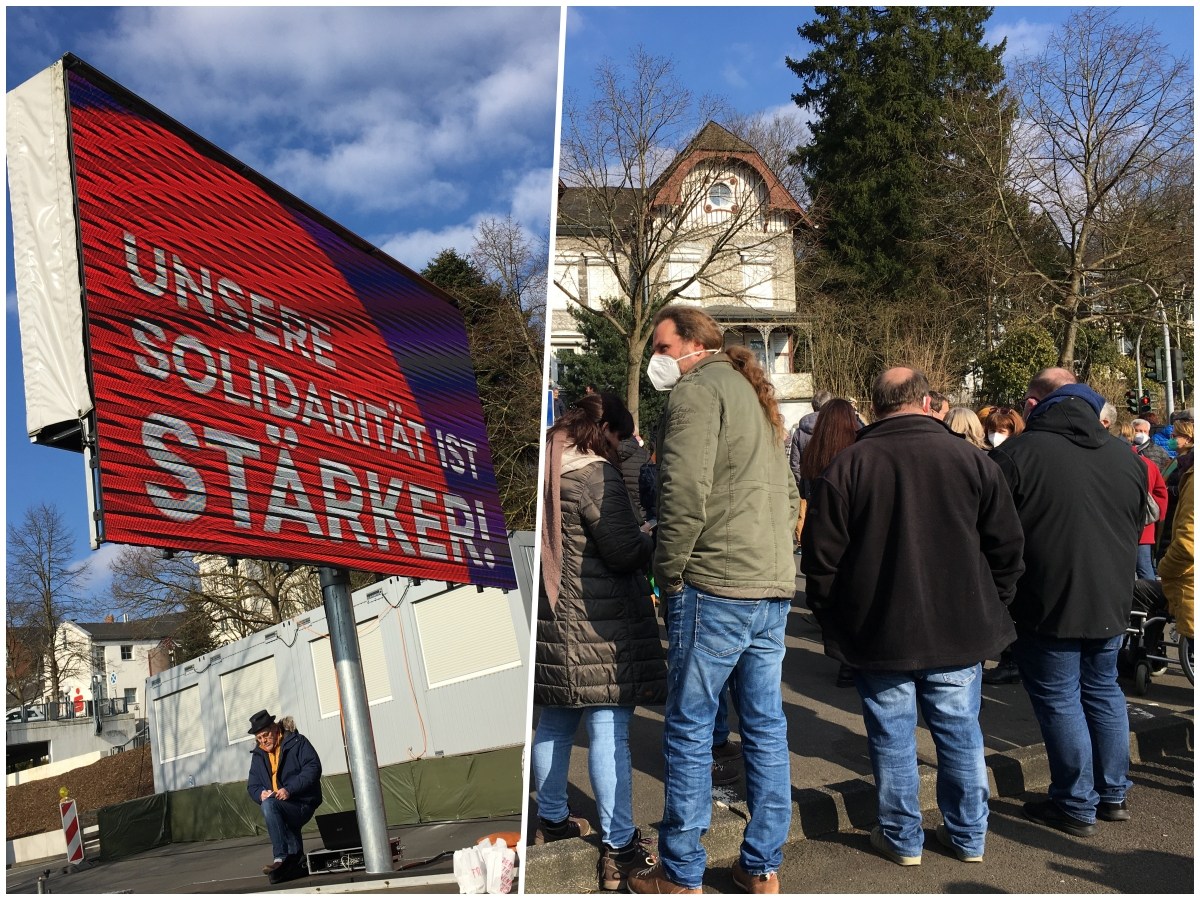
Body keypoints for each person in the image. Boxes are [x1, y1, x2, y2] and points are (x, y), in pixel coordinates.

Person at [802, 368, 1024, 867]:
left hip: (880, 630)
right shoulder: (972, 459)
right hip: (958, 626)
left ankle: (903, 839)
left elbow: (821, 559)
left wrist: (832, 615)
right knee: (960, 733)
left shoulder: (849, 464)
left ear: (875, 405)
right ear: (926, 402)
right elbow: (1007, 544)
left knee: (892, 737)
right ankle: (968, 836)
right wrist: (996, 599)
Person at [627, 306, 799, 895]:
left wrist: (669, 574)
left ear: (692, 345)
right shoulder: (756, 395)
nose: (657, 357)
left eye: (662, 346)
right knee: (765, 727)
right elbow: (790, 496)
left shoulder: (698, 393)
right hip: (769, 583)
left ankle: (680, 873)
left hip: (715, 583)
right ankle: (761, 866)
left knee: (691, 727)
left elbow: (683, 494)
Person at [990, 368, 1145, 836]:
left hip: (1046, 599)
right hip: (1112, 599)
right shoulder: (1126, 456)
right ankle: (1112, 792)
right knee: (1104, 692)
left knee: (1062, 700)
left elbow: (993, 534)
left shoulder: (1018, 454)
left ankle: (1076, 802)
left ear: (1034, 406)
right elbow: (1136, 526)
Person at [532, 392, 666, 891]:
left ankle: (552, 822)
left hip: (555, 620)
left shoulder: (547, 460)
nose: (619, 447)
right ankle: (621, 850)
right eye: (618, 437)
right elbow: (622, 548)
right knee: (610, 731)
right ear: (604, 429)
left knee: (557, 721)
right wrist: (649, 536)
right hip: (600, 621)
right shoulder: (592, 472)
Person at [797, 398, 862, 688]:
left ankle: (845, 663)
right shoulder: (857, 448)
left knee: (835, 590)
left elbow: (801, 479)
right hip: (853, 525)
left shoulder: (813, 447)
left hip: (819, 518)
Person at [247, 710, 323, 881]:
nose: (263, 741)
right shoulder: (258, 755)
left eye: (265, 736)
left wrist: (289, 789)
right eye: (259, 739)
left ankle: (280, 858)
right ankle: (296, 860)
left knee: (270, 806)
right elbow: (252, 785)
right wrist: (261, 793)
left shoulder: (298, 742)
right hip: (279, 804)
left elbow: (313, 768)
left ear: (274, 728)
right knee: (269, 803)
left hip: (301, 802)